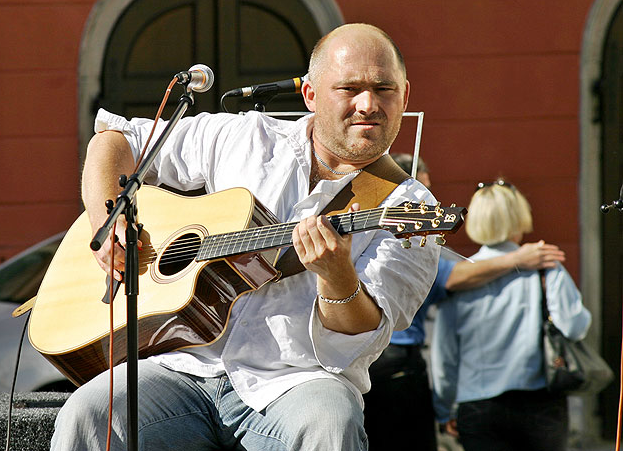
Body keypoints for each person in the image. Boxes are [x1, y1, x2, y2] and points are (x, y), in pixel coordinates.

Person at [51, 23, 441, 450]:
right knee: (88, 413)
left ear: (405, 96)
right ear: (311, 95)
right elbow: (115, 138)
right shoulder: (244, 136)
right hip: (184, 366)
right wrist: (108, 220)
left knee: (332, 421)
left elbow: (362, 330)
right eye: (349, 88)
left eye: (384, 89)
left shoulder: (409, 208)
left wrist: (337, 277)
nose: (368, 104)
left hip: (296, 382)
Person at [363, 155, 568, 451]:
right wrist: (518, 259)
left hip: (363, 359)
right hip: (394, 364)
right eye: (418, 189)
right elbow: (453, 278)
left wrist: (445, 406)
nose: (426, 201)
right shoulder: (408, 239)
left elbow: (446, 350)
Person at [430, 179, 591, 451]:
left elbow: (444, 356)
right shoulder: (545, 265)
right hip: (540, 402)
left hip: (477, 405)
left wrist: (444, 409)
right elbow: (575, 327)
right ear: (519, 216)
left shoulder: (461, 277)